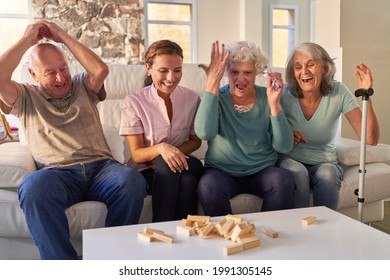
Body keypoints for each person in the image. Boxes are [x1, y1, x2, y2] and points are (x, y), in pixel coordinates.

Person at [0, 21, 148, 259]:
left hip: (101, 168)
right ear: (33, 73)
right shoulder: (25, 96)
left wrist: (61, 35)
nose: (61, 77)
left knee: (131, 181)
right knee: (33, 188)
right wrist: (28, 39)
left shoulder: (82, 85)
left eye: (64, 68)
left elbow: (100, 70)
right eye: (50, 72)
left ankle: (108, 260)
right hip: (57, 174)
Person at [194, 41, 295, 217]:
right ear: (226, 72)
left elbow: (284, 146)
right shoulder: (216, 97)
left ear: (256, 72)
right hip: (221, 170)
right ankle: (229, 237)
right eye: (234, 72)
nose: (240, 79)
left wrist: (274, 105)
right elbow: (204, 132)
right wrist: (212, 84)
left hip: (261, 170)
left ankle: (269, 235)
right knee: (208, 186)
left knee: (283, 180)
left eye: (247, 72)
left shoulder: (268, 96)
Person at [278, 42, 380, 209]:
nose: (304, 71)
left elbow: (370, 138)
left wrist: (366, 94)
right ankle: (299, 230)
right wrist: (286, 132)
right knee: (297, 171)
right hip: (290, 159)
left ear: (324, 69)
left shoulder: (338, 91)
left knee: (328, 173)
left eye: (310, 64)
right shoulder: (284, 94)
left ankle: (325, 231)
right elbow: (268, 129)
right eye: (298, 67)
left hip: (324, 161)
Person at [120, 40, 203, 222]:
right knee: (187, 182)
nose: (171, 77)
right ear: (148, 68)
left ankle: (167, 235)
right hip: (147, 170)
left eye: (177, 70)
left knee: (177, 170)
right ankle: (167, 229)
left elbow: (196, 140)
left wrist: (171, 155)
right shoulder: (134, 102)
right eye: (163, 70)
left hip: (182, 164)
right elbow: (137, 154)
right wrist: (161, 149)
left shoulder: (191, 98)